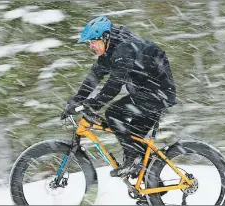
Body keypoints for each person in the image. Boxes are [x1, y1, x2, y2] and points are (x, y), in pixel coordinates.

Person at [61, 16, 176, 178]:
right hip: (149, 94)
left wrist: (94, 104)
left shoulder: (124, 48)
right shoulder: (110, 50)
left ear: (105, 37)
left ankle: (134, 162)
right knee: (134, 141)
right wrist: (77, 99)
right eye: (90, 44)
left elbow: (115, 84)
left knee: (114, 114)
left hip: (157, 94)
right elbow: (94, 76)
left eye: (93, 42)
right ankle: (150, 190)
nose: (91, 47)